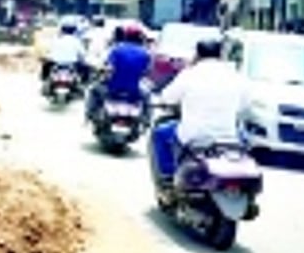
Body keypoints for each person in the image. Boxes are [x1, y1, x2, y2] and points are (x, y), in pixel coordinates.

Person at [151, 37, 250, 184]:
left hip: (192, 135)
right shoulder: (236, 76)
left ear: (197, 55)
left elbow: (167, 97)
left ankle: (168, 178)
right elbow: (244, 105)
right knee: (245, 140)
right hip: (229, 136)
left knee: (159, 133)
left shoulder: (190, 74)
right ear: (220, 55)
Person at [86, 23, 152, 121]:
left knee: (93, 90)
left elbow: (107, 65)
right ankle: (147, 120)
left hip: (113, 88)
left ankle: (90, 115)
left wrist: (102, 71)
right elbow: (148, 71)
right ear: (140, 38)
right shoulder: (145, 53)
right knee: (148, 96)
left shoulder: (116, 49)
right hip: (135, 90)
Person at [42, 19, 88, 83]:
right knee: (86, 68)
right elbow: (82, 54)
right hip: (72, 63)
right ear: (74, 31)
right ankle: (84, 82)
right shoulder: (76, 41)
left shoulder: (57, 40)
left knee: (45, 66)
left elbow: (50, 52)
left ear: (62, 30)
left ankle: (44, 80)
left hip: (57, 62)